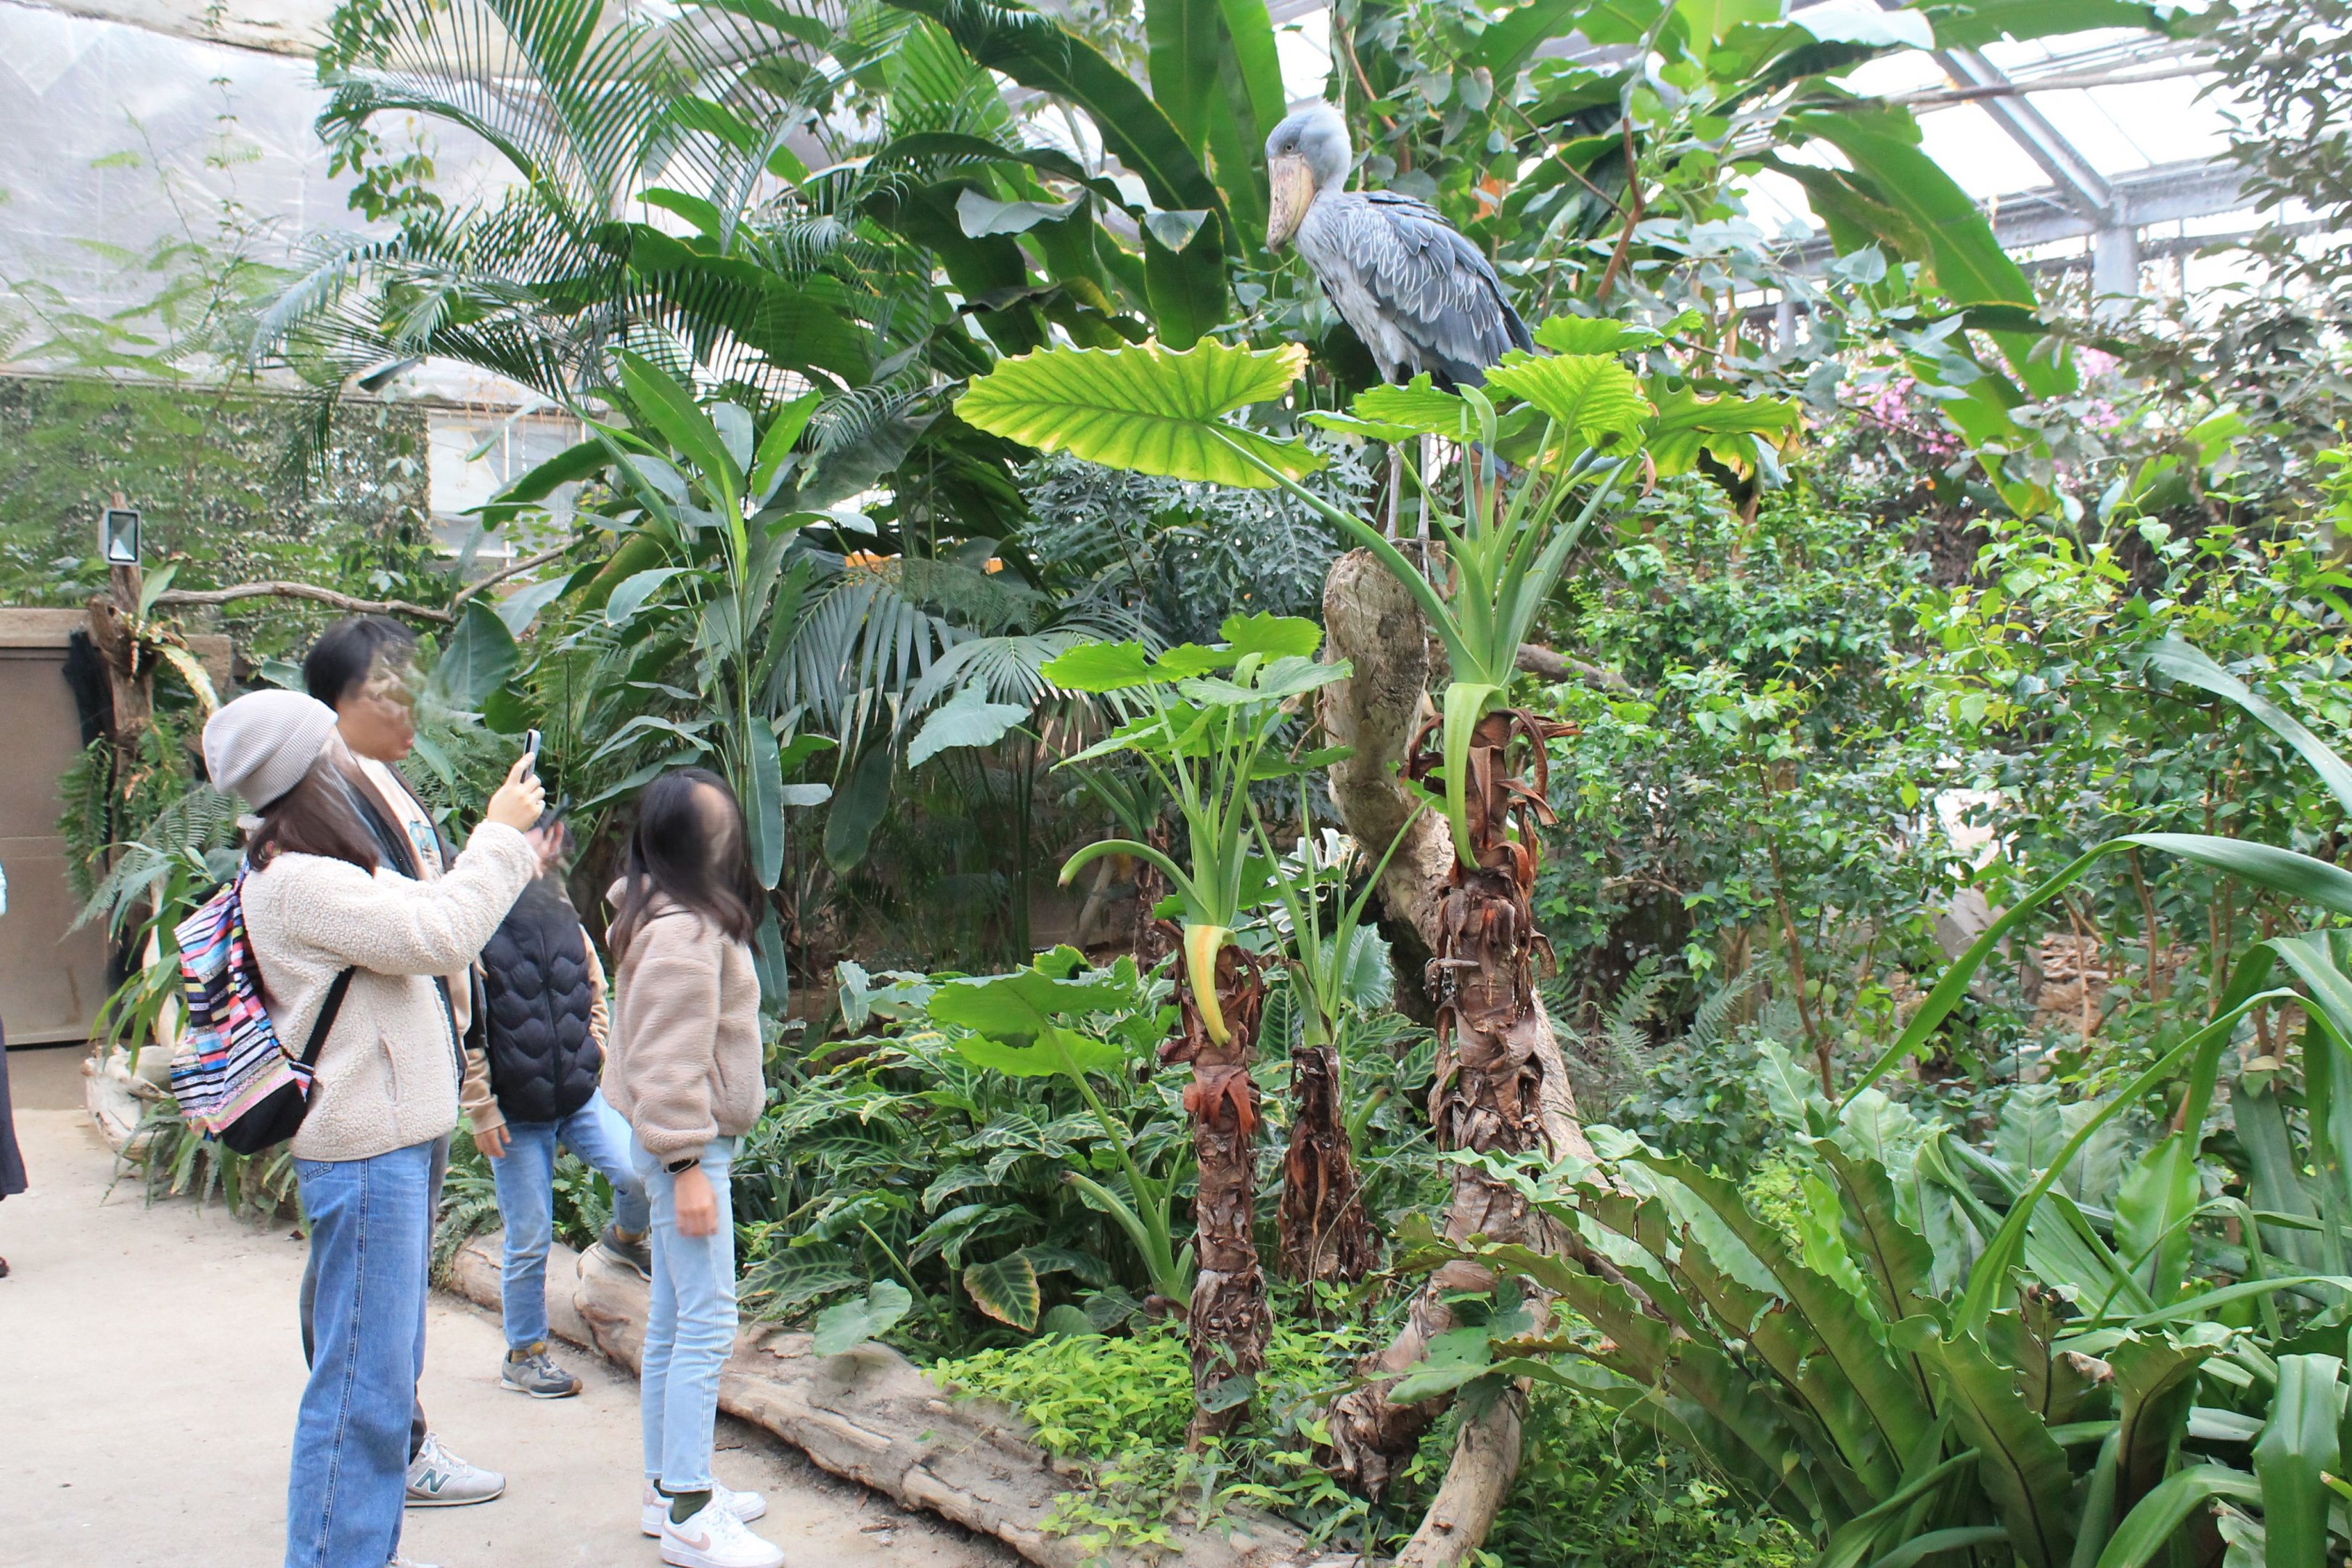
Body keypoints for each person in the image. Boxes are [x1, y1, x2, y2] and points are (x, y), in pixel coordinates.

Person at [200, 689, 542, 1568]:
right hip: (366, 1155)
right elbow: (441, 930)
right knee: (362, 1392)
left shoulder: (321, 861)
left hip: (390, 1144)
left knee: (375, 1379)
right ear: (312, 772)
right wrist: (501, 833)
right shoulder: (299, 879)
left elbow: (424, 912)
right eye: (337, 753)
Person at [301, 615, 505, 1509]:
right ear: (335, 706)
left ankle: (391, 1454)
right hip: (366, 1102)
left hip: (412, 1081)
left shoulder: (385, 784)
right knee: (360, 1323)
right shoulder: (317, 811)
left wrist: (467, 1060)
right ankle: (386, 1455)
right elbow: (426, 930)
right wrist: (502, 840)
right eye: (390, 686)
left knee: (386, 1308)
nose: (409, 699)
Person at [603, 769, 780, 1568]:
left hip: (681, 1147)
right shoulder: (683, 931)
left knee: (674, 1323)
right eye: (716, 829)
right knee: (707, 1321)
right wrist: (686, 1167)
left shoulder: (665, 914)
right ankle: (689, 1512)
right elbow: (668, 1061)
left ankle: (666, 1487)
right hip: (687, 1149)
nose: (729, 836)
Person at [463, 813, 653, 1400]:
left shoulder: (563, 912)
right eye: (541, 846)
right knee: (529, 1234)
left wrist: (595, 1047)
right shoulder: (474, 919)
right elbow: (463, 1024)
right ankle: (525, 1353)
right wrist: (481, 1107)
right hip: (515, 1111)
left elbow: (595, 987)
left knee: (639, 1173)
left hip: (576, 1094)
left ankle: (623, 1243)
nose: (551, 857)